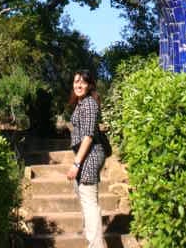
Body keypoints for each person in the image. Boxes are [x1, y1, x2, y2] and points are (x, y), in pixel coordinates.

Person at [67, 69, 107, 248]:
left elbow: (89, 136)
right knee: (86, 201)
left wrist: (76, 163)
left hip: (90, 156)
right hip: (84, 156)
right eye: (76, 81)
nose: (78, 85)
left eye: (83, 82)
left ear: (90, 85)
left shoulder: (89, 103)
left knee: (90, 204)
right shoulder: (81, 103)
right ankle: (93, 242)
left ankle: (95, 245)